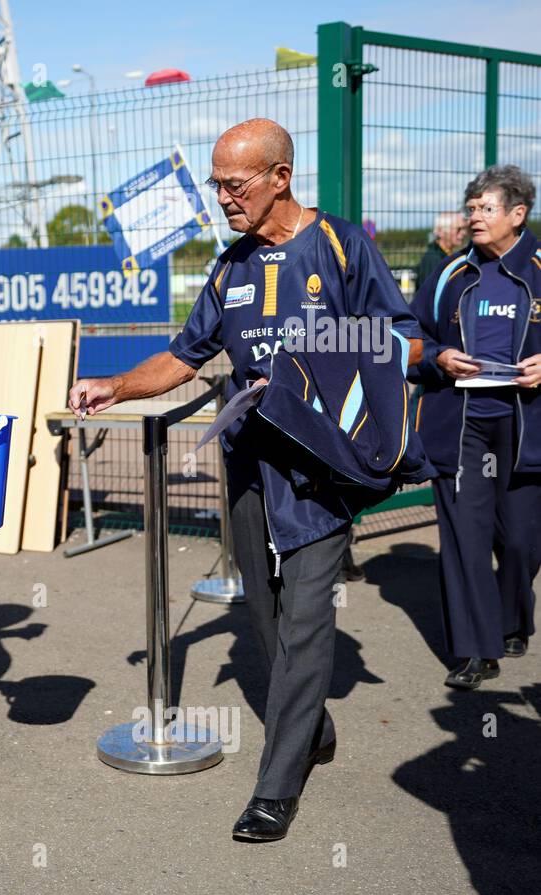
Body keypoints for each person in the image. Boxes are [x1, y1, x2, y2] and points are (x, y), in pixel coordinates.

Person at [70, 118, 431, 843]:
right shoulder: (230, 265)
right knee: (260, 612)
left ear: (280, 177)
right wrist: (116, 385)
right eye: (216, 185)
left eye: (234, 184)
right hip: (245, 459)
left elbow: (408, 338)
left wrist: (312, 361)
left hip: (318, 469)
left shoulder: (341, 245)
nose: (223, 198)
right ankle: (312, 724)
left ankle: (275, 786)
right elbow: (183, 356)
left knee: (304, 617)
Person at [408, 165, 541, 689]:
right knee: (465, 537)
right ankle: (474, 650)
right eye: (471, 209)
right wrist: (439, 357)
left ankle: (513, 617)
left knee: (522, 542)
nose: (473, 218)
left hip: (526, 426)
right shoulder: (448, 274)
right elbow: (409, 338)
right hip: (459, 426)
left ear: (517, 214)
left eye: (485, 208)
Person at [415, 211, 468, 290]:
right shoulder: (433, 259)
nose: (463, 233)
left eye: (464, 229)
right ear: (441, 232)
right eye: (458, 229)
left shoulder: (445, 255)